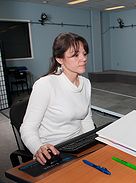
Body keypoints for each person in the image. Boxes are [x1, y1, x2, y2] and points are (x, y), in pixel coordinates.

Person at [20, 32, 95, 165]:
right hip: (53, 152)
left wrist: (91, 144)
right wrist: (38, 148)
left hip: (78, 147)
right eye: (75, 55)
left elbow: (86, 119)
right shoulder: (45, 85)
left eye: (84, 53)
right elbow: (27, 128)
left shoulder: (86, 83)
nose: (83, 58)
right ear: (60, 59)